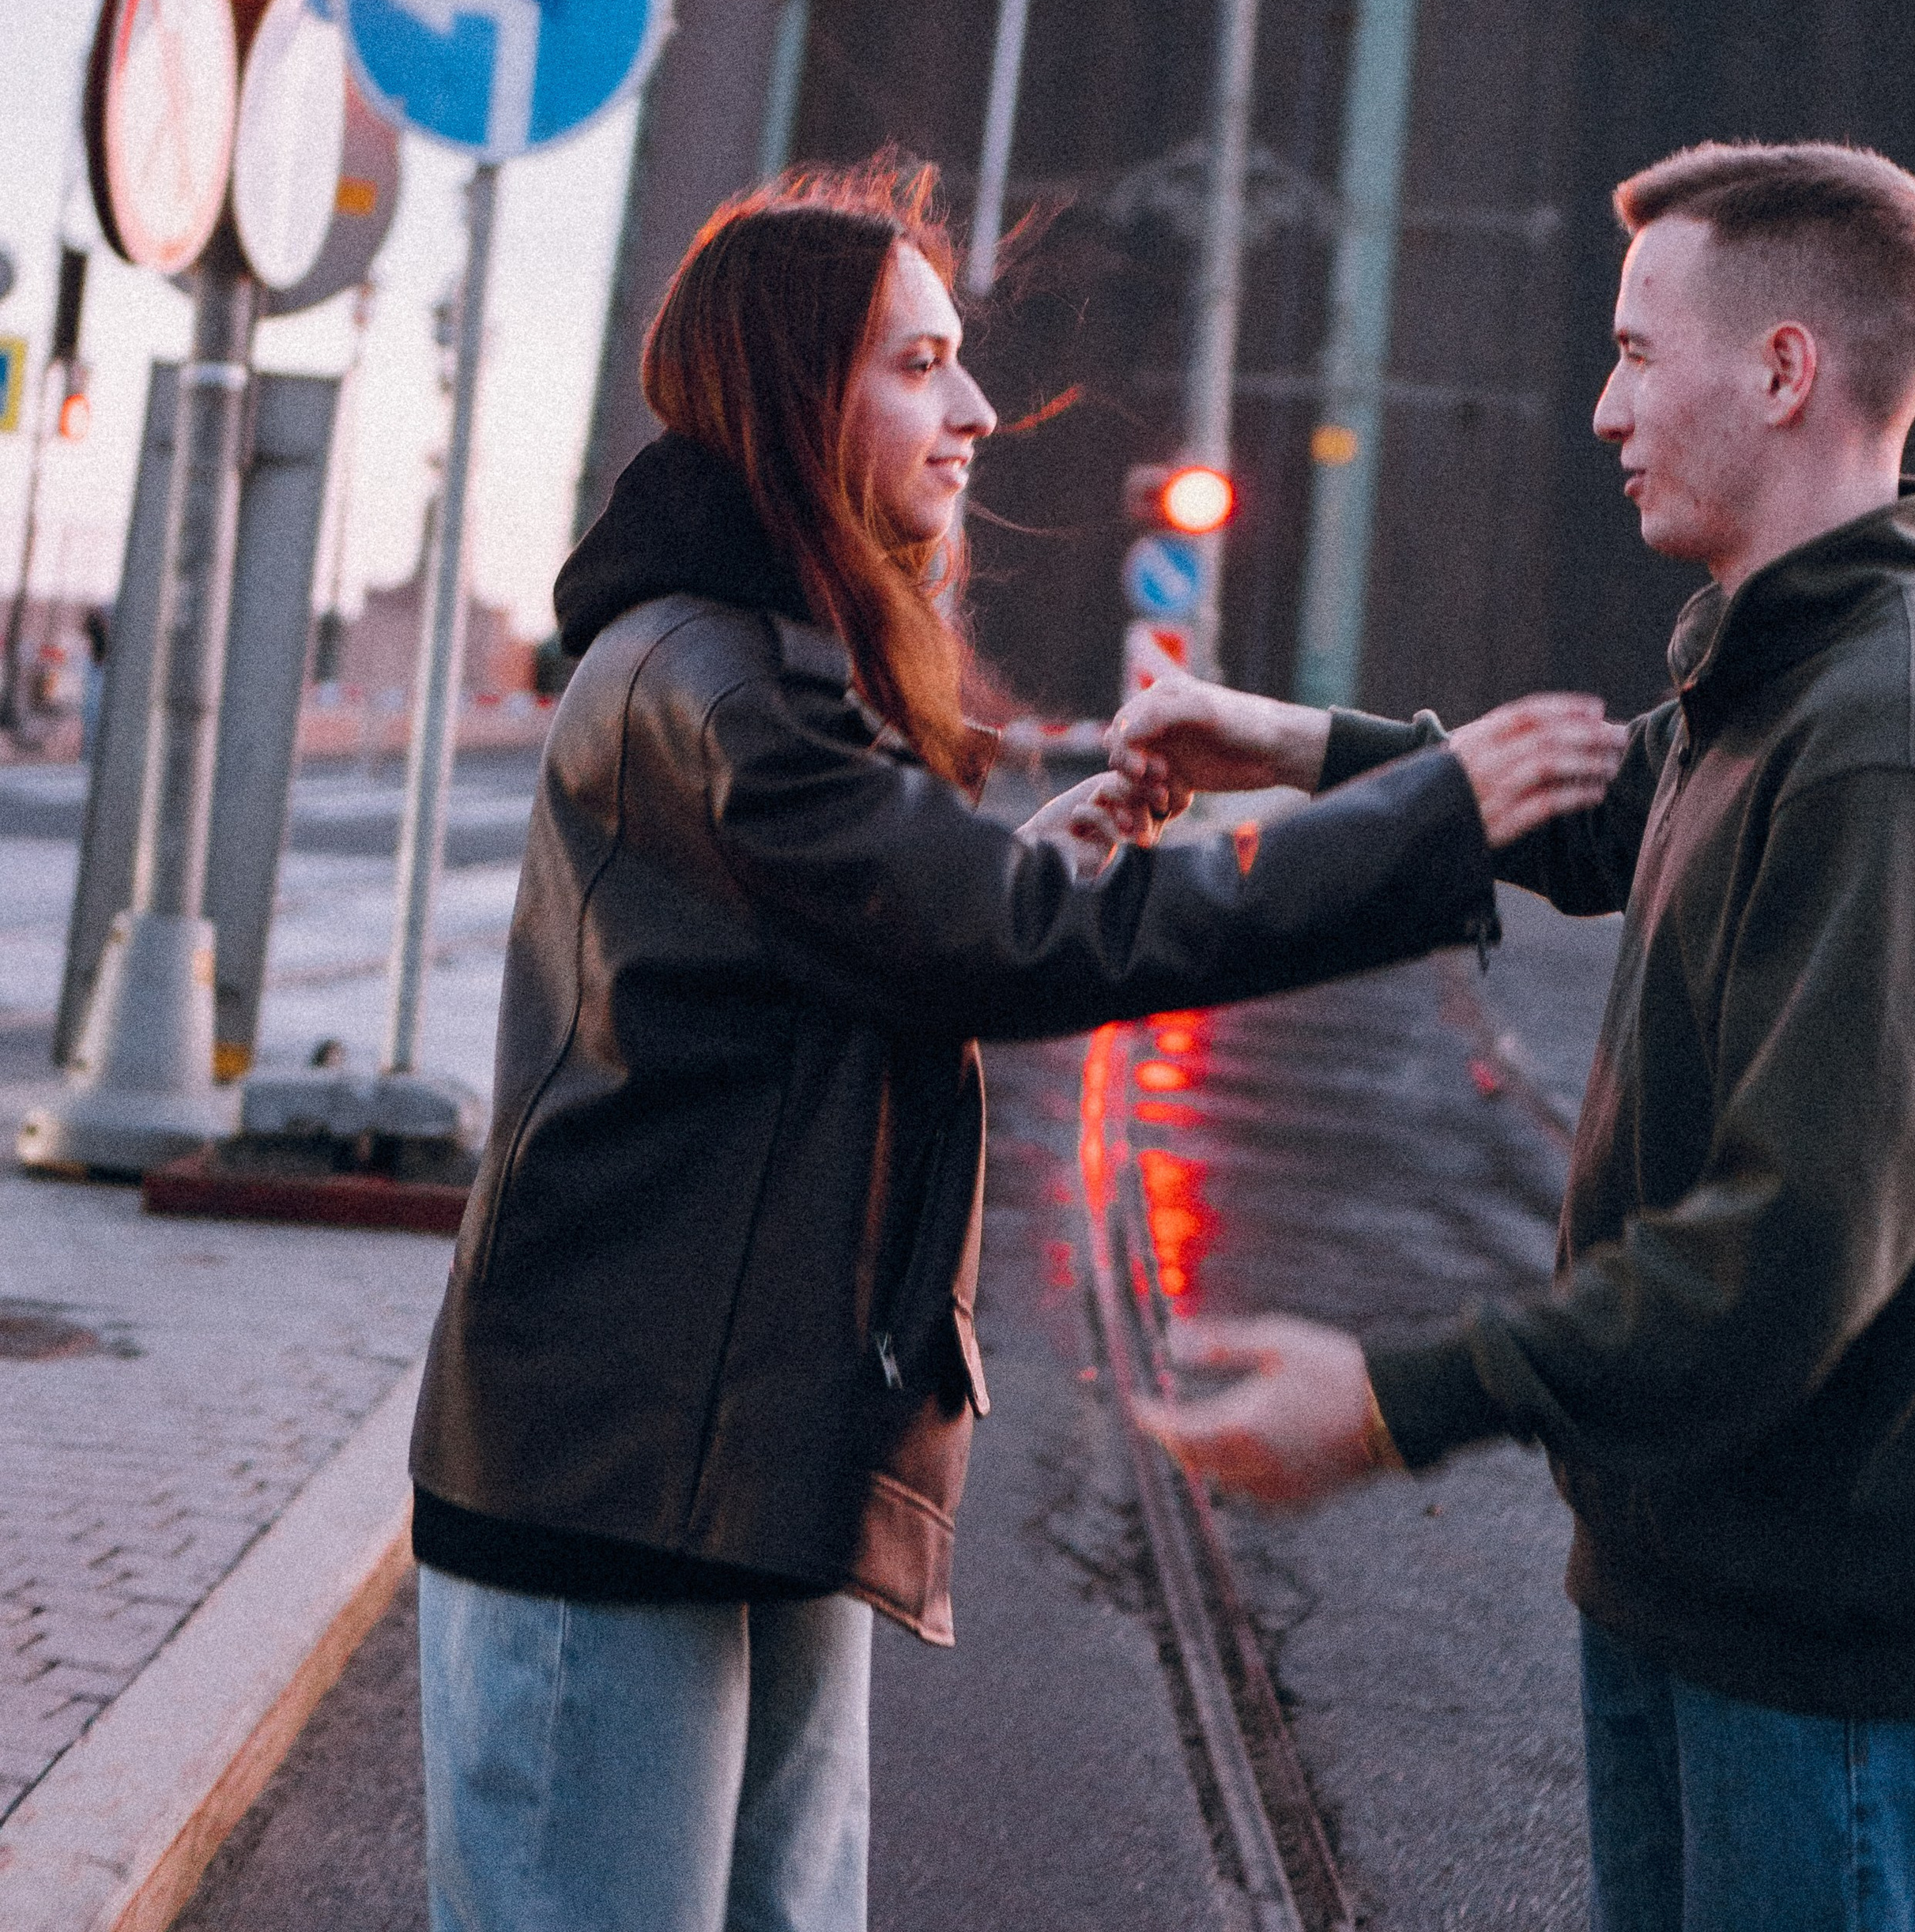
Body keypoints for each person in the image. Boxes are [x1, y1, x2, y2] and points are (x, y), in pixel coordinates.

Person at [407, 158, 1621, 1932]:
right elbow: (1008, 949)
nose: (974, 409)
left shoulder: (768, 663)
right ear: (785, 390)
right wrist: (1416, 819)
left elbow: (899, 938)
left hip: (731, 1460)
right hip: (622, 1481)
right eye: (918, 363)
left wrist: (1015, 866)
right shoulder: (722, 688)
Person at [1109, 139, 1915, 1932]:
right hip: (1692, 1594)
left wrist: (1394, 1400)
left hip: (1824, 1665)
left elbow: (1785, 1260)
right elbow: (1597, 814)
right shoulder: (1772, 679)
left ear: (1779, 369)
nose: (1602, 411)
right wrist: (1282, 743)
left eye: (1630, 352)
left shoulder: (1895, 742)